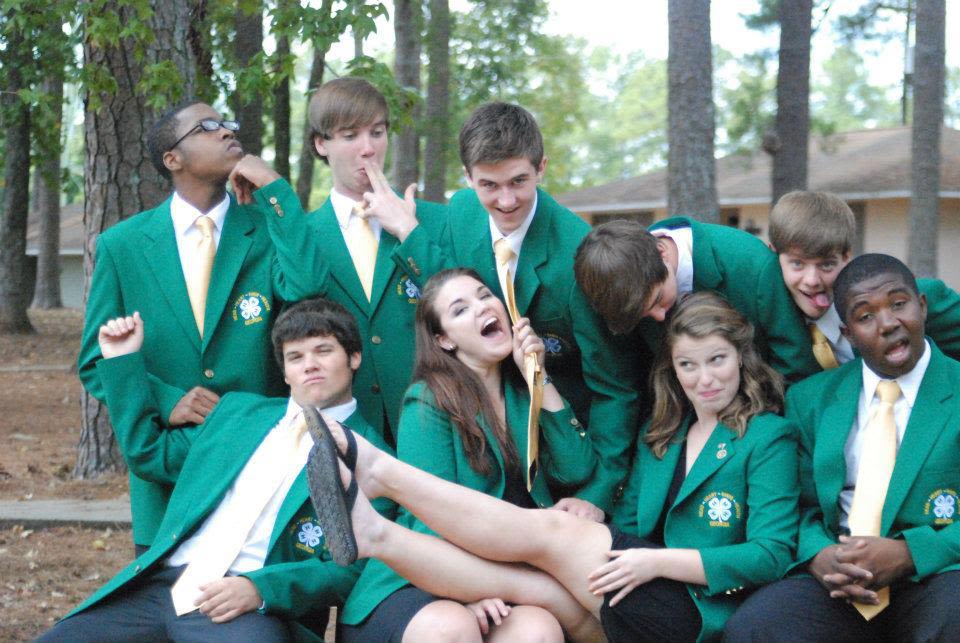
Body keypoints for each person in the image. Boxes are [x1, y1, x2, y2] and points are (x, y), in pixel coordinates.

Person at [309, 291, 800, 642]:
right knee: (534, 592)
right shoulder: (665, 435)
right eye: (688, 365)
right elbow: (627, 525)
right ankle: (374, 530)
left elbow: (774, 554)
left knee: (549, 531)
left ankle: (379, 477)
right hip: (628, 594)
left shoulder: (767, 436)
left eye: (717, 360)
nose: (705, 378)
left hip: (695, 609)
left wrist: (655, 561)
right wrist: (596, 518)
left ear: (741, 357)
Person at [44, 299, 394, 642]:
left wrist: (258, 589)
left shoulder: (373, 458)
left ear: (354, 357)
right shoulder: (237, 414)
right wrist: (123, 362)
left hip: (246, 602)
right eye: (296, 357)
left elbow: (352, 568)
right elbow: (150, 453)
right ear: (285, 372)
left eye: (323, 351)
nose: (309, 365)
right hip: (163, 585)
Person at [77, 101, 321, 553]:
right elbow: (95, 360)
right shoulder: (123, 245)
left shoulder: (266, 228)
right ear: (173, 159)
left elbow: (307, 288)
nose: (228, 131)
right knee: (166, 611)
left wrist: (274, 188)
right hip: (169, 473)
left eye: (228, 122)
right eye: (208, 127)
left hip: (257, 463)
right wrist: (168, 401)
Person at [404, 102, 639, 521]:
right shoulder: (460, 212)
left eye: (519, 181)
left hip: (570, 451)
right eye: (489, 186)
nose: (506, 200)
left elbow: (615, 388)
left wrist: (600, 495)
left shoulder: (576, 255)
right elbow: (449, 299)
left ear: (541, 167)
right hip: (490, 439)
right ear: (468, 178)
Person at [339, 268, 600, 642]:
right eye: (460, 309)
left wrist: (539, 375)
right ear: (444, 340)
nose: (481, 308)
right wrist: (464, 591)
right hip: (421, 579)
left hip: (509, 577)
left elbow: (577, 467)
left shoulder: (523, 390)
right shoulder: (427, 400)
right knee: (453, 628)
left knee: (538, 632)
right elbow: (428, 515)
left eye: (484, 295)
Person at [724, 254, 960, 642]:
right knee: (757, 626)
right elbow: (795, 505)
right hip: (838, 580)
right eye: (866, 316)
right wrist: (819, 556)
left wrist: (909, 554)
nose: (888, 324)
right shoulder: (811, 400)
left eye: (898, 304)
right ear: (848, 333)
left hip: (936, 575)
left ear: (922, 305)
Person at [240, 77, 448, 446]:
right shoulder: (300, 235)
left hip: (434, 422)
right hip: (345, 434)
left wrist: (407, 230)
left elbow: (458, 306)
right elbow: (303, 289)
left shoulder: (430, 221)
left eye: (378, 132)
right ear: (321, 143)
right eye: (350, 136)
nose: (368, 149)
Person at [574, 216, 819, 384]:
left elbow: (795, 365)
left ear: (662, 252)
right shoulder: (618, 282)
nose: (659, 317)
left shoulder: (751, 265)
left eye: (658, 299)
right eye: (645, 315)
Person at [768, 190, 960, 369]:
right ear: (774, 254)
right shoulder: (770, 318)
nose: (812, 280)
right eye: (798, 264)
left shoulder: (912, 301)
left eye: (826, 265)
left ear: (846, 257)